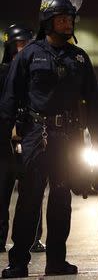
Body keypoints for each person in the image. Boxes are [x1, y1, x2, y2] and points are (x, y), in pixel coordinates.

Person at [0, 0, 98, 278]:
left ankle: (56, 261)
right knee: (29, 200)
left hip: (68, 138)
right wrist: (4, 138)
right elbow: (9, 99)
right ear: (47, 21)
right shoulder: (29, 55)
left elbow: (94, 103)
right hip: (36, 135)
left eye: (70, 18)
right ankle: (18, 262)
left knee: (61, 200)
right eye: (60, 18)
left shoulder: (80, 58)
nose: (67, 22)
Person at [0, 24, 47, 254]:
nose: (23, 50)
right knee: (1, 193)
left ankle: (33, 239)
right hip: (4, 144)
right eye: (18, 46)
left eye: (26, 45)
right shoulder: (1, 73)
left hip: (31, 137)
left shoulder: (37, 74)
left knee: (32, 194)